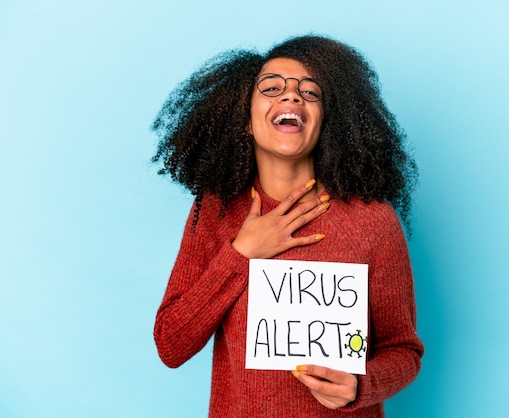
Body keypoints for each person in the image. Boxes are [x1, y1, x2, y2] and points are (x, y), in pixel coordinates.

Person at [152, 34, 424, 417]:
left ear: (328, 122)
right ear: (244, 119)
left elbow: (403, 351)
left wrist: (360, 386)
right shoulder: (215, 212)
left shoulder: (372, 221)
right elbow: (171, 344)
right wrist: (241, 254)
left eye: (310, 93)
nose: (292, 97)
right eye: (273, 87)